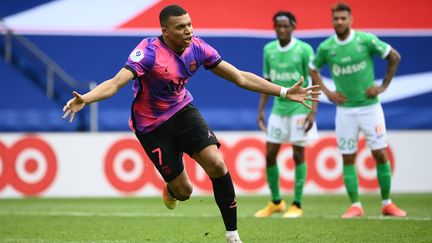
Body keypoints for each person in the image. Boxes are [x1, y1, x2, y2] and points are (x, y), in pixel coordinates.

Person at [62, 4, 320, 242]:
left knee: (217, 164)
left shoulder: (198, 47)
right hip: (151, 126)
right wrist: (86, 98)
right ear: (165, 31)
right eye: (181, 27)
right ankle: (172, 189)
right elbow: (115, 83)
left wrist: (285, 92)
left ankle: (233, 236)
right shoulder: (149, 52)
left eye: (189, 24)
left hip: (183, 111)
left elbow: (240, 77)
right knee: (184, 191)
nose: (188, 30)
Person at [309, 2, 406, 218]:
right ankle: (355, 205)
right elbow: (313, 68)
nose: (340, 22)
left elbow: (394, 57)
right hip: (344, 110)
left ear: (351, 20)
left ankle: (387, 203)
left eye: (343, 18)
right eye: (336, 19)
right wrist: (328, 93)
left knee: (380, 153)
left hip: (370, 108)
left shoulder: (366, 40)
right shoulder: (326, 47)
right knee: (348, 157)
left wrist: (383, 86)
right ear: (332, 21)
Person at [255, 11, 318, 219]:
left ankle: (297, 204)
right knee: (269, 155)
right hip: (278, 110)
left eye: (285, 26)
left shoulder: (304, 50)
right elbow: (266, 83)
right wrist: (261, 111)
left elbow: (313, 82)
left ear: (293, 27)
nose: (281, 29)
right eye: (278, 26)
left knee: (298, 155)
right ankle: (276, 202)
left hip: (300, 109)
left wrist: (312, 112)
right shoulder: (268, 50)